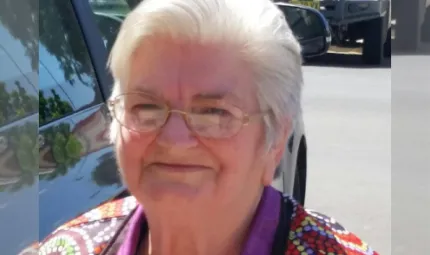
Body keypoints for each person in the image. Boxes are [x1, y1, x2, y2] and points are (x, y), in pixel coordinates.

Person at [36, 0, 380, 254]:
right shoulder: (68, 248)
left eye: (214, 113)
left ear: (274, 143)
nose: (173, 139)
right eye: (146, 107)